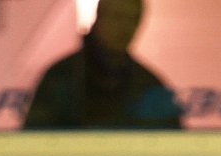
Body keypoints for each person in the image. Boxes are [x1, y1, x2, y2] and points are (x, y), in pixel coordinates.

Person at [23, 0, 182, 129]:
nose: (125, 28)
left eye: (133, 19)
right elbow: (35, 146)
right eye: (118, 17)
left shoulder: (150, 85)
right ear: (99, 16)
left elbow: (174, 150)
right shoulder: (61, 78)